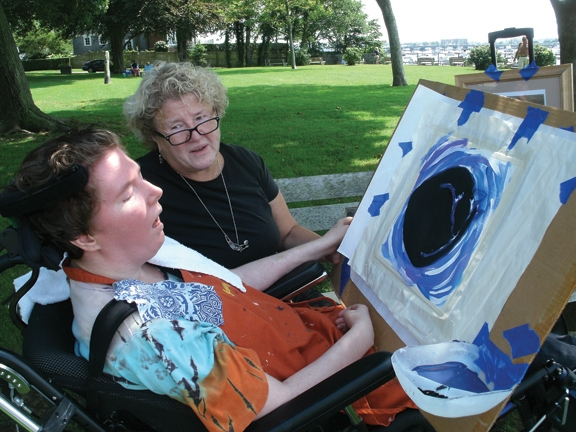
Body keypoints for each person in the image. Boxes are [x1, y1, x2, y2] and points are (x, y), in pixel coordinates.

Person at [5, 128, 415, 432]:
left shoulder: (122, 269)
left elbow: (218, 285)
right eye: (129, 194)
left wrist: (313, 247)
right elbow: (279, 406)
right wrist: (359, 341)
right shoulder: (158, 337)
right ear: (83, 237)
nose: (155, 192)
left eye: (139, 175)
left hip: (308, 335)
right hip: (341, 386)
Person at [125, 62, 338, 269]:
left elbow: (288, 232)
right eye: (177, 127)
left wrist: (331, 249)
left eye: (201, 118)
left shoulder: (247, 163)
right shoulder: (139, 188)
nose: (196, 136)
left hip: (282, 298)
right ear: (154, 136)